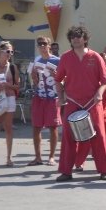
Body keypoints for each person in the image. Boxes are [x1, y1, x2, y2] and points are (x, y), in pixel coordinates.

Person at [54, 25, 106, 182]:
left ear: (85, 39)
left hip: (92, 102)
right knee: (68, 137)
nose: (75, 39)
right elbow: (58, 79)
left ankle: (104, 171)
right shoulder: (65, 57)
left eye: (78, 36)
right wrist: (60, 96)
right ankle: (66, 171)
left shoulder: (96, 57)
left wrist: (99, 93)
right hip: (72, 102)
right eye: (72, 37)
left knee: (99, 136)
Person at [27, 37, 61, 166]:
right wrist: (33, 76)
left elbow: (64, 79)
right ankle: (38, 157)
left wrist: (56, 75)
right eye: (39, 44)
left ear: (49, 46)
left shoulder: (58, 60)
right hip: (39, 96)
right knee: (36, 127)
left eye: (44, 44)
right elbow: (35, 82)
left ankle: (51, 157)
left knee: (53, 127)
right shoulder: (36, 61)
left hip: (53, 97)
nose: (42, 46)